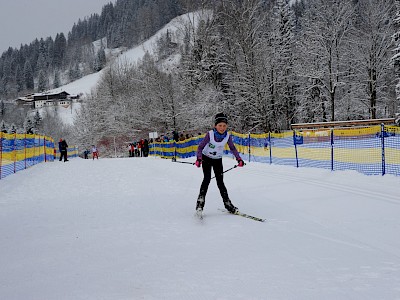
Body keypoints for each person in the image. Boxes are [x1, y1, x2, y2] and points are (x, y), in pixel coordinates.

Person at [195, 112, 245, 215]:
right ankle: (200, 204)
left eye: (224, 125)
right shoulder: (210, 134)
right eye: (220, 125)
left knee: (220, 182)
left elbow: (232, 148)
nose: (222, 128)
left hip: (217, 160)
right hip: (206, 159)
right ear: (215, 126)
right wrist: (199, 159)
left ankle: (228, 204)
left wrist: (239, 159)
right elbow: (200, 147)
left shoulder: (227, 136)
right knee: (207, 179)